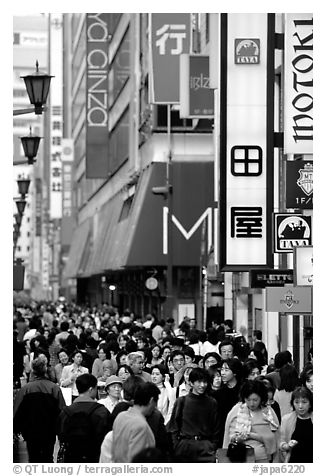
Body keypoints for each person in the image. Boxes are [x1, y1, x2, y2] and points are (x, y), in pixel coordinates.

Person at [13, 355, 66, 462]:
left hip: (30, 431)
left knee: (33, 457)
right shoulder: (54, 388)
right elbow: (62, 412)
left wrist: (16, 430)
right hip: (49, 430)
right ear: (45, 369)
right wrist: (61, 434)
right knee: (48, 457)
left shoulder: (25, 389)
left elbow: (16, 411)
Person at [167, 367, 220, 462]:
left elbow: (216, 428)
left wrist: (212, 445)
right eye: (199, 382)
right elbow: (174, 427)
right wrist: (177, 445)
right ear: (191, 383)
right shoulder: (182, 401)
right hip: (185, 446)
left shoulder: (212, 402)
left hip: (206, 447)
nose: (202, 385)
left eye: (205, 382)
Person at [57, 373, 112, 462]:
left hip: (71, 459)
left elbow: (61, 436)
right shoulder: (101, 411)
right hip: (94, 458)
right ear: (91, 389)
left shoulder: (65, 412)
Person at [223, 379, 279, 463]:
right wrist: (238, 438)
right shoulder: (236, 410)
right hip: (240, 459)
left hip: (263, 459)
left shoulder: (268, 412)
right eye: (248, 400)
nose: (252, 404)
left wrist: (251, 435)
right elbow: (228, 436)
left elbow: (275, 438)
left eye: (255, 400)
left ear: (261, 398)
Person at [111, 382, 159, 463]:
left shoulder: (120, 416)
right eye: (156, 402)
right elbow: (136, 459)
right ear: (151, 401)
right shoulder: (140, 425)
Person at [279, 386, 313, 463]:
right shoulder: (286, 419)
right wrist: (287, 446)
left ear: (310, 404)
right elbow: (281, 443)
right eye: (297, 402)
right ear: (292, 403)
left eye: (304, 402)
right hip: (294, 463)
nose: (300, 406)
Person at [216, 357, 243, 447]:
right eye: (222, 369)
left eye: (226, 370)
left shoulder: (243, 390)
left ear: (235, 372)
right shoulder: (219, 393)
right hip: (223, 432)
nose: (222, 373)